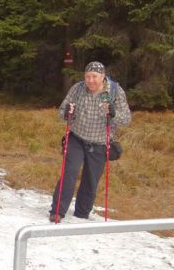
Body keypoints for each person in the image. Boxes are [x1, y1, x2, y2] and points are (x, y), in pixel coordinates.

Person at [49, 61, 131, 222]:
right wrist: (67, 114)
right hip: (76, 138)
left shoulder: (114, 92)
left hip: (100, 142)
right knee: (69, 173)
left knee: (91, 180)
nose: (90, 80)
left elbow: (126, 119)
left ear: (103, 77)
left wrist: (114, 114)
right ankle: (57, 211)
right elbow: (61, 111)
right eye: (87, 76)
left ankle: (81, 214)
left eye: (94, 76)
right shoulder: (77, 89)